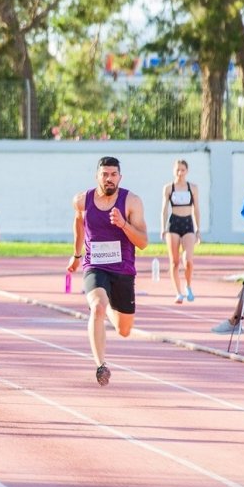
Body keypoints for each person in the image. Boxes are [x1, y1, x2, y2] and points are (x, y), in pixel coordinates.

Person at [67, 156, 148, 386]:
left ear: (120, 177)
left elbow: (143, 242)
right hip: (95, 266)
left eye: (113, 174)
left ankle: (110, 305)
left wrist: (123, 224)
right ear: (97, 176)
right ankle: (101, 365)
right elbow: (78, 224)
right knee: (97, 307)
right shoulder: (82, 200)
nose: (109, 179)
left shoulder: (132, 202)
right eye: (105, 174)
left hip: (123, 269)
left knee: (124, 330)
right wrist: (76, 255)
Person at [160, 159, 200, 303]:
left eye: (182, 170)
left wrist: (198, 229)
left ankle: (188, 285)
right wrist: (163, 227)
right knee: (174, 262)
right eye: (177, 170)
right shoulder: (168, 188)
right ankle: (178, 292)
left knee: (188, 260)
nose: (180, 173)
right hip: (174, 224)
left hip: (188, 223)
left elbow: (196, 209)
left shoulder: (192, 188)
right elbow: (164, 209)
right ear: (174, 171)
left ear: (187, 171)